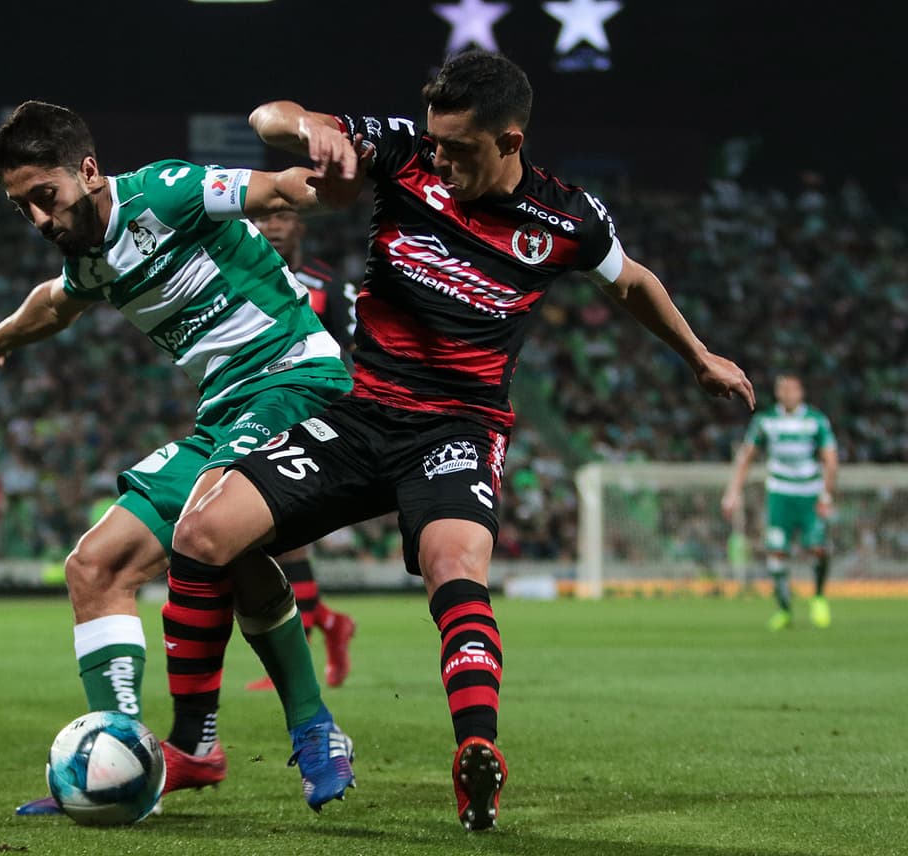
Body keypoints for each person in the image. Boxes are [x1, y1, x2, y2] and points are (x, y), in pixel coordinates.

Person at [156, 48, 755, 831]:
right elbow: (269, 117)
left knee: (452, 568)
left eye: (461, 148)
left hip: (459, 427)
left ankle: (479, 757)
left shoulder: (565, 217)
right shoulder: (406, 151)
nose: (441, 158)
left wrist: (700, 356)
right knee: (201, 533)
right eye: (436, 142)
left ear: (510, 141)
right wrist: (309, 128)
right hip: (359, 413)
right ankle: (194, 744)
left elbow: (633, 281)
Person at [0, 101, 358, 814]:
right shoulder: (88, 257)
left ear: (86, 170)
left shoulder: (164, 191)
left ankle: (311, 730)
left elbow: (273, 190)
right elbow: (55, 304)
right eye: (22, 208)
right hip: (224, 412)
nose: (39, 219)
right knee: (95, 566)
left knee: (210, 521)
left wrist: (330, 176)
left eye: (44, 197)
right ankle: (125, 757)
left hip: (296, 379)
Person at [246, 209, 358, 691]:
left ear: (300, 227)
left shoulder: (326, 283)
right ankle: (327, 624)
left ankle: (304, 647)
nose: (272, 225)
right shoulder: (241, 271)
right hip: (254, 408)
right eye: (263, 216)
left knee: (282, 536)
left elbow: (355, 344)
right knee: (267, 540)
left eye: (282, 217)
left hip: (311, 412)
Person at [722, 374, 838, 630]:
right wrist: (733, 492)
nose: (788, 394)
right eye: (783, 389)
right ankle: (784, 609)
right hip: (780, 494)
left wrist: (827, 495)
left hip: (809, 493)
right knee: (776, 552)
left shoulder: (815, 421)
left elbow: (830, 459)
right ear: (777, 393)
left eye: (793, 389)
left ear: (801, 392)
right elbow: (746, 458)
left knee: (817, 548)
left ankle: (818, 597)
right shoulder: (766, 422)